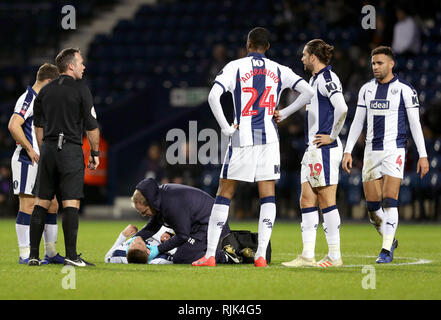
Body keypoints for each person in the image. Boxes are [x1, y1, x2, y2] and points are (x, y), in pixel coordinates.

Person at [192, 27, 314, 267]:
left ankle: (209, 255)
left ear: (248, 45)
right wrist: (285, 113)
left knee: (224, 193)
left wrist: (226, 128)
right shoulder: (279, 69)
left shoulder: (235, 67)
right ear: (267, 47)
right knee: (268, 195)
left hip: (243, 137)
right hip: (269, 138)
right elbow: (308, 92)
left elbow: (212, 97)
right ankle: (260, 256)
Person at [342, 46, 429, 263]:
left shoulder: (405, 90)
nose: (375, 67)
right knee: (372, 209)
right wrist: (347, 150)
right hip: (372, 151)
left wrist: (423, 155)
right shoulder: (366, 90)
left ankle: (385, 251)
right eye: (373, 63)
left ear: (391, 64)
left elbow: (415, 124)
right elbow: (357, 122)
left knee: (390, 200)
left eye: (380, 63)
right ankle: (390, 239)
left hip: (394, 150)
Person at [28, 48, 101, 267]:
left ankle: (33, 255)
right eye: (81, 63)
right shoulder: (81, 90)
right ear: (71, 66)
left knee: (41, 202)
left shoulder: (45, 91)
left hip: (48, 149)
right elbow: (92, 126)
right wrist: (95, 153)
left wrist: (45, 148)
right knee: (70, 203)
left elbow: (37, 125)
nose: (83, 66)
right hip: (69, 149)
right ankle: (71, 255)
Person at [278, 39, 348, 268]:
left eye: (304, 54)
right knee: (306, 198)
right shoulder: (314, 79)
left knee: (326, 199)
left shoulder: (328, 78)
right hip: (312, 149)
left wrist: (332, 135)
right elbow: (306, 98)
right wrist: (285, 113)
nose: (301, 58)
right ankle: (308, 255)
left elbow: (342, 107)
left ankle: (335, 255)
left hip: (324, 148)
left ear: (313, 58)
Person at [8, 63, 64, 265]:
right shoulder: (29, 98)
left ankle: (50, 252)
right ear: (48, 81)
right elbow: (14, 125)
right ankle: (24, 255)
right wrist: (30, 149)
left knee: (52, 205)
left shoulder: (44, 101)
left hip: (44, 161)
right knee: (28, 205)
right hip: (27, 159)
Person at [132, 178, 239, 264]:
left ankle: (226, 255)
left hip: (210, 225)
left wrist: (158, 249)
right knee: (182, 252)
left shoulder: (171, 204)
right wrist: (135, 238)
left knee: (182, 257)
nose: (144, 215)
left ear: (150, 203)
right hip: (200, 225)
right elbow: (153, 225)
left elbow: (182, 235)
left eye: (144, 211)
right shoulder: (159, 199)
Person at [105, 224, 176, 264]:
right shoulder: (159, 260)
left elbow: (107, 258)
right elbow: (178, 256)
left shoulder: (120, 254)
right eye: (139, 244)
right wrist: (169, 241)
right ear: (148, 251)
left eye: (132, 244)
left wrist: (123, 236)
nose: (136, 240)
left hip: (149, 230)